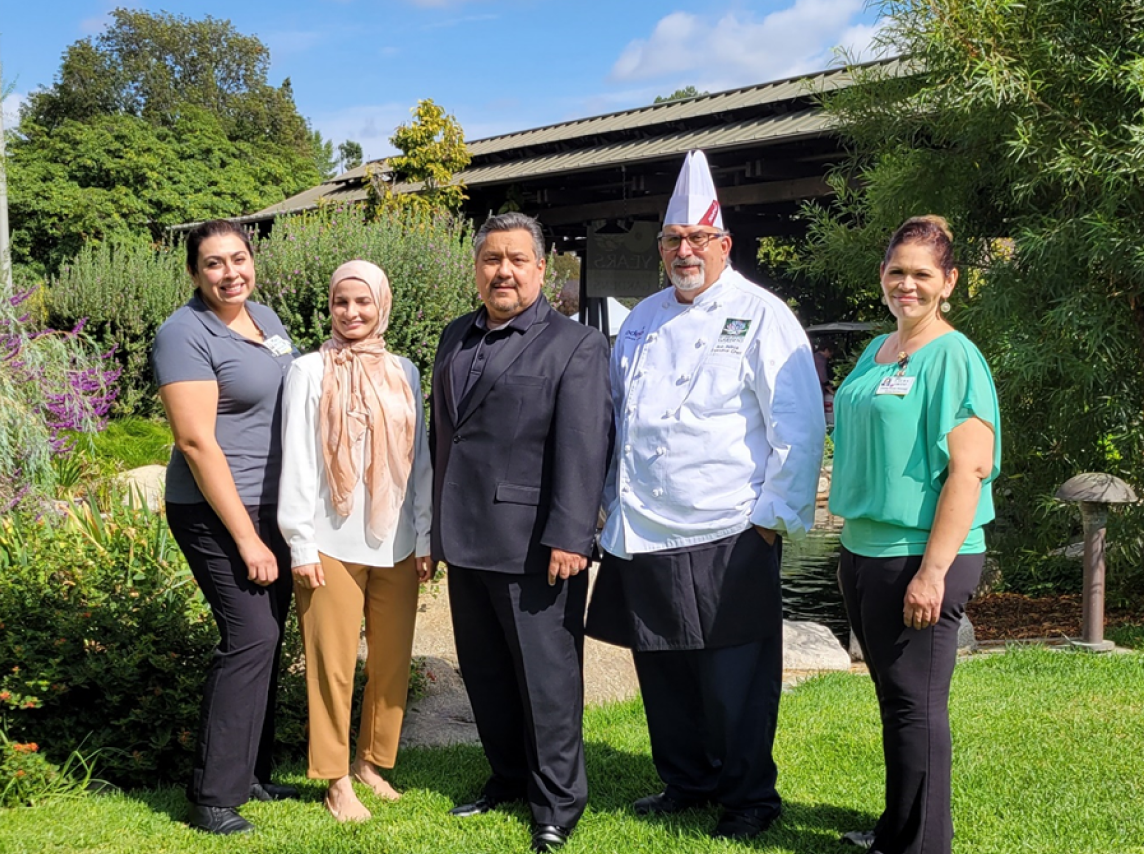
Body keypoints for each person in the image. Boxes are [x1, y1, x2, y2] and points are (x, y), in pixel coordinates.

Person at [586, 150, 826, 842]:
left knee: (734, 681)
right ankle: (685, 781)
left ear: (724, 244)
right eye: (672, 240)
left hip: (728, 528)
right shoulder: (640, 319)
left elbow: (799, 426)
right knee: (662, 671)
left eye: (698, 238)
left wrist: (772, 521)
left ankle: (750, 799)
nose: (684, 251)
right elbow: (618, 419)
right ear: (661, 248)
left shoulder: (762, 314)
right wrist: (609, 503)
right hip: (644, 527)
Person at [430, 212, 612, 853]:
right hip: (466, 537)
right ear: (476, 268)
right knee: (485, 672)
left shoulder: (576, 345)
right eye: (490, 259)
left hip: (540, 545)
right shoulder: (455, 337)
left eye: (515, 260)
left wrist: (572, 535)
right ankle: (507, 776)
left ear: (541, 268)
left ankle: (558, 803)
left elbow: (585, 448)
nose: (502, 271)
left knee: (547, 680)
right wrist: (434, 533)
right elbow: (444, 441)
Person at [829, 216, 999, 854]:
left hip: (921, 556)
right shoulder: (880, 349)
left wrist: (932, 572)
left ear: (948, 282)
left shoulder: (954, 356)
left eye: (922, 274)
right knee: (896, 700)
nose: (908, 284)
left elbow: (969, 469)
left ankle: (923, 844)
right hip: (864, 548)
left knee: (916, 707)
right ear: (881, 276)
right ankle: (896, 830)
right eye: (897, 271)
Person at [153, 219, 298, 835]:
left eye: (238, 259)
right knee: (250, 638)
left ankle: (253, 776)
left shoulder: (265, 318)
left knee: (266, 639)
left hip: (275, 506)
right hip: (218, 511)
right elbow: (194, 440)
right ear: (193, 272)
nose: (229, 272)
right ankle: (213, 797)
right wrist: (245, 537)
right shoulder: (184, 334)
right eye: (213, 263)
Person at [277, 260, 433, 823]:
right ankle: (336, 777)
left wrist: (425, 532)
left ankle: (373, 763)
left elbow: (420, 459)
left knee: (391, 662)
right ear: (330, 306)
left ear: (383, 305)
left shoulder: (405, 371)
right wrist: (299, 541)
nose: (352, 313)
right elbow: (295, 458)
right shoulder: (307, 372)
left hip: (395, 541)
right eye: (341, 302)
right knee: (332, 664)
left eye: (363, 302)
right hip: (328, 540)